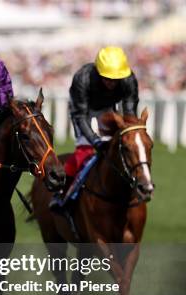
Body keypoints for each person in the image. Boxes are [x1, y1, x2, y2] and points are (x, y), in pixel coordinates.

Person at [50, 46, 139, 212]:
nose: (112, 82)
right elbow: (80, 117)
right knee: (86, 150)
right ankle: (61, 192)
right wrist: (96, 141)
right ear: (98, 71)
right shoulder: (82, 78)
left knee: (121, 148)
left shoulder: (129, 79)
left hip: (108, 109)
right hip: (83, 111)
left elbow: (130, 113)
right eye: (107, 78)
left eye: (116, 78)